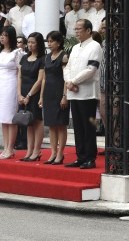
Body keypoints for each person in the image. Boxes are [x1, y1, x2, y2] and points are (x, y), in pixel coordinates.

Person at [63, 19, 102, 169]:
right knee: (78, 126)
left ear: (88, 30)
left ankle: (90, 158)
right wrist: (68, 82)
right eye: (76, 28)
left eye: (79, 28)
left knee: (88, 126)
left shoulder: (95, 46)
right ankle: (81, 156)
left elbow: (91, 69)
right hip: (74, 92)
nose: (76, 31)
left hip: (88, 93)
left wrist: (73, 81)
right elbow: (67, 67)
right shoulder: (74, 47)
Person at [40, 31, 69, 165]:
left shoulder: (64, 56)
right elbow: (44, 78)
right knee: (51, 124)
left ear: (59, 42)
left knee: (61, 125)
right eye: (48, 41)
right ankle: (53, 151)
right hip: (48, 93)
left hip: (59, 92)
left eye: (52, 41)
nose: (49, 44)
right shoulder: (47, 57)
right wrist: (41, 96)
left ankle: (60, 153)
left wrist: (65, 96)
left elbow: (66, 78)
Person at [0, 26, 22, 159]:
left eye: (5, 35)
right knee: (3, 118)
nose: (2, 37)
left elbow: (19, 72)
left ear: (11, 37)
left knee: (11, 118)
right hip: (0, 83)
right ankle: (5, 147)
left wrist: (19, 90)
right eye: (1, 35)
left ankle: (11, 148)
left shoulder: (17, 52)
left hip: (11, 84)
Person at [17, 32, 45, 162]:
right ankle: (29, 150)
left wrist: (29, 95)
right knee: (28, 123)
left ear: (39, 44)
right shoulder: (23, 58)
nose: (30, 45)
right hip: (23, 92)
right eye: (28, 42)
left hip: (34, 93)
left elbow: (40, 80)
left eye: (33, 42)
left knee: (37, 121)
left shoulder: (42, 59)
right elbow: (19, 76)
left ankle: (36, 150)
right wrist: (19, 94)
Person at [97, 17, 106, 154]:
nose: (103, 30)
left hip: (117, 86)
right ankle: (110, 143)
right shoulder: (103, 42)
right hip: (102, 85)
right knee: (104, 116)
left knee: (116, 117)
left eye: (106, 27)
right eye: (102, 27)